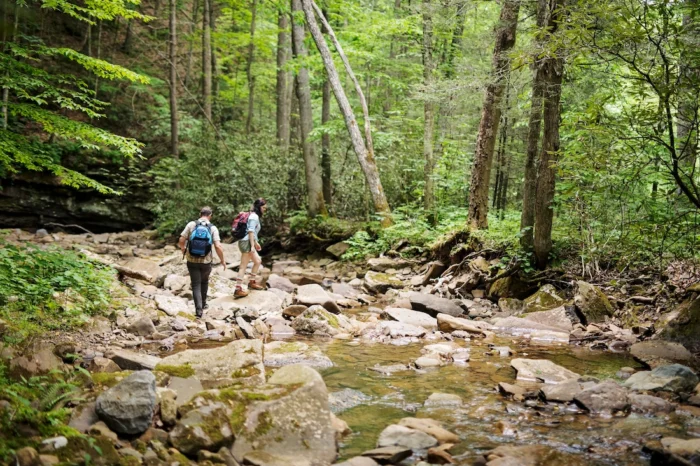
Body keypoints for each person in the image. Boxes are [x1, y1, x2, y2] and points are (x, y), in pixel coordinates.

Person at [178, 206, 226, 317]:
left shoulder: (191, 224)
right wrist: (222, 260)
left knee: (195, 285)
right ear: (210, 216)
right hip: (206, 261)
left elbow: (181, 239)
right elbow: (218, 246)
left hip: (192, 259)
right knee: (204, 282)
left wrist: (183, 248)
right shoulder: (213, 228)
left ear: (200, 214)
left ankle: (198, 311)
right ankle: (204, 304)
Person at [234, 198, 267, 298]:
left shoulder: (252, 215)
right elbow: (250, 231)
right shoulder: (254, 217)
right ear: (259, 207)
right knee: (243, 266)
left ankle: (252, 282)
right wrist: (252, 245)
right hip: (246, 243)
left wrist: (256, 243)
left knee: (257, 261)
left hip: (248, 241)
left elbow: (252, 232)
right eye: (264, 208)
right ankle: (237, 289)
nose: (265, 210)